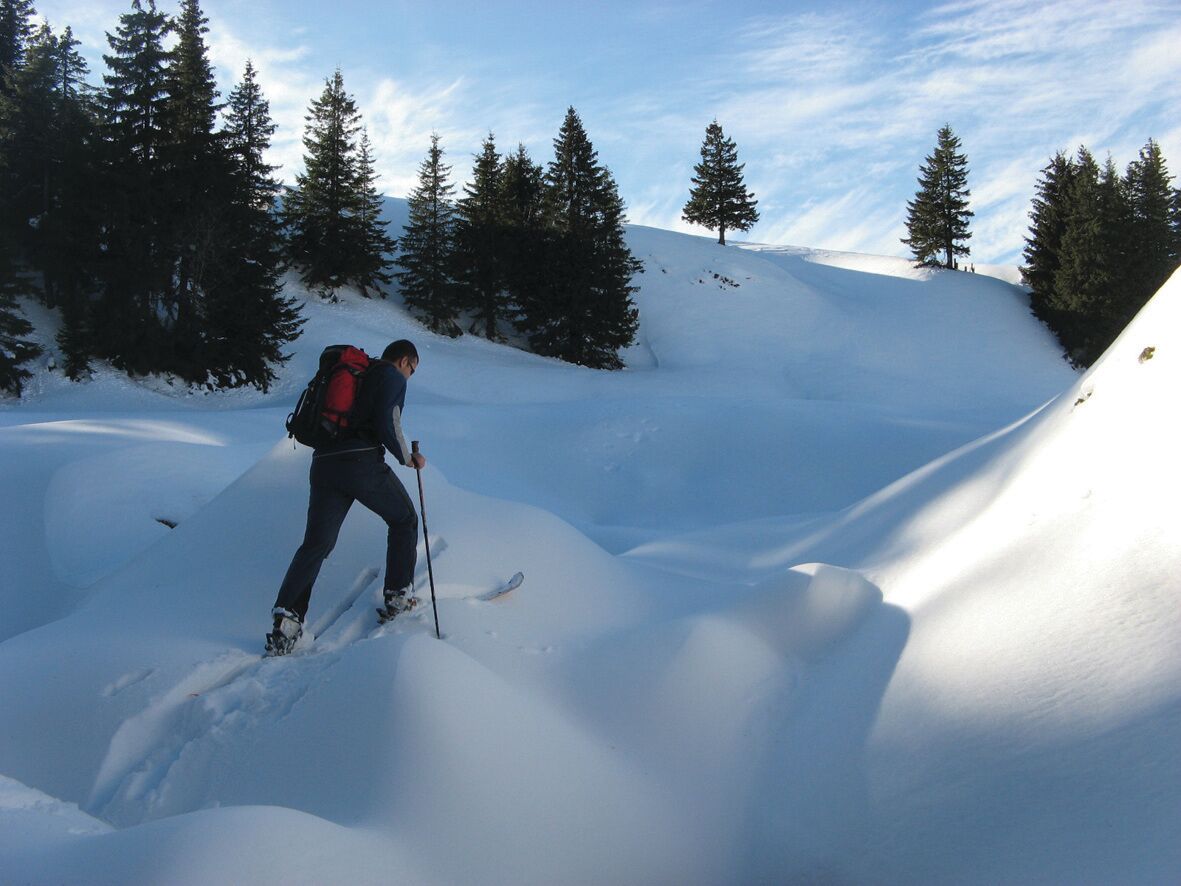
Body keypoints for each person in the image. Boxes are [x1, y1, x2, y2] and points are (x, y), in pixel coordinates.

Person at [266, 339, 426, 655]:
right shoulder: (391, 376)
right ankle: (397, 595)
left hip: (324, 465)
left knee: (316, 544)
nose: (410, 376)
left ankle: (288, 619)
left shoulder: (358, 373)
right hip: (361, 463)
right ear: (404, 360)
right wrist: (407, 457)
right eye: (412, 369)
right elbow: (388, 421)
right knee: (404, 518)